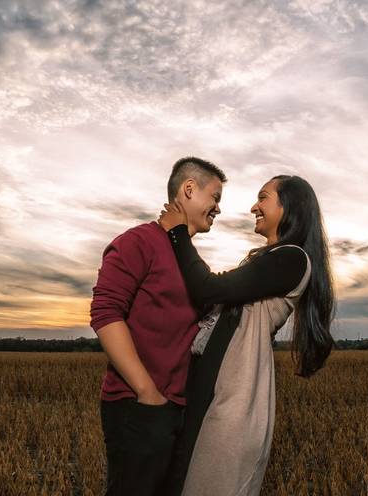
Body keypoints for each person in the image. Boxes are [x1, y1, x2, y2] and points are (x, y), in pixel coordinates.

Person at [157, 174, 336, 496]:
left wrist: (178, 233)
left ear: (290, 206)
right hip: (219, 388)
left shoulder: (292, 258)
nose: (254, 206)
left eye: (263, 197)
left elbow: (209, 288)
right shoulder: (271, 259)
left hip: (235, 394)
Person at [89, 157, 226, 496]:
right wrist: (147, 393)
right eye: (216, 197)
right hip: (138, 406)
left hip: (176, 410)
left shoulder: (189, 258)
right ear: (189, 189)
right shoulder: (139, 241)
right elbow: (105, 313)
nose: (218, 209)